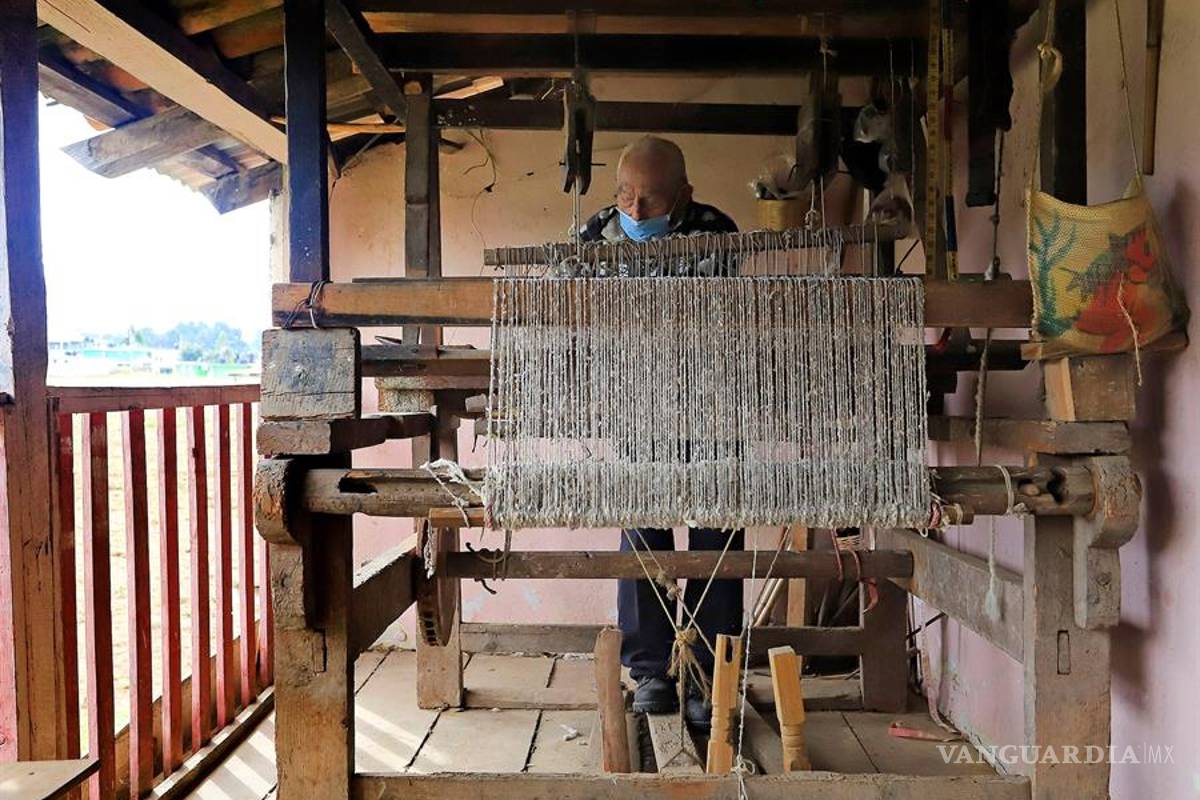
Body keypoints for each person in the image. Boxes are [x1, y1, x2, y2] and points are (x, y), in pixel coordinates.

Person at [578, 136, 743, 727]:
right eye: (626, 194)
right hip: (635, 404)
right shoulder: (593, 236)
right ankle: (650, 669)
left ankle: (708, 671)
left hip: (713, 402)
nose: (635, 209)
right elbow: (568, 308)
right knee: (643, 530)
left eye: (650, 198)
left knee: (715, 530)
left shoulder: (717, 233)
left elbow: (712, 316)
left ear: (685, 195)